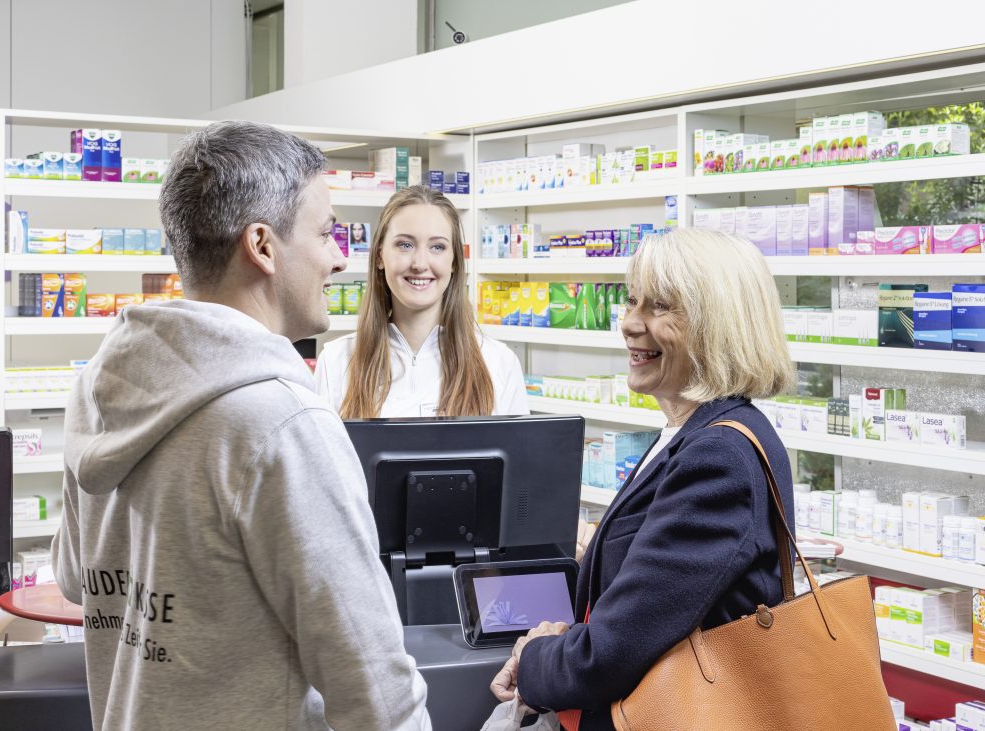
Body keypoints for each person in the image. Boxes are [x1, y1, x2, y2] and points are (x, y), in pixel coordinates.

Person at [51, 121, 431, 731]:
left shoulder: (99, 385)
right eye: (326, 232)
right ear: (262, 245)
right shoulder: (282, 421)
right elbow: (374, 688)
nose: (338, 257)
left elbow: (77, 578)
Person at [490, 228, 796, 730]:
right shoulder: (688, 433)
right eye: (632, 302)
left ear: (716, 324)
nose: (630, 324)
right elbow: (648, 608)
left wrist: (535, 659)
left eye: (660, 307)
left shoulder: (719, 455)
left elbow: (613, 652)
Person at [316, 185, 528, 418]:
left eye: (437, 247)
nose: (419, 263)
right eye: (405, 245)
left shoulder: (498, 362)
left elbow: (523, 454)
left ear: (454, 261)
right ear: (379, 256)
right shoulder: (336, 361)